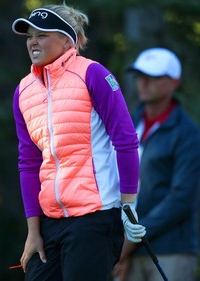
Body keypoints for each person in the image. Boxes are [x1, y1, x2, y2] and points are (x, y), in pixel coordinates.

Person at [11, 4, 146, 281]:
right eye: (29, 36)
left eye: (42, 34)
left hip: (95, 217)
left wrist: (128, 204)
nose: (33, 41)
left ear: (66, 39)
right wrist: (33, 231)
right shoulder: (23, 90)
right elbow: (29, 162)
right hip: (50, 222)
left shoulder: (93, 74)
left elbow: (126, 140)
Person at [112, 47, 200, 281]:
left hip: (171, 250)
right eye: (140, 75)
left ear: (174, 82)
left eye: (153, 76)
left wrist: (131, 239)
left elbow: (180, 199)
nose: (144, 82)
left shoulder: (188, 134)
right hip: (127, 249)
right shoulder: (128, 125)